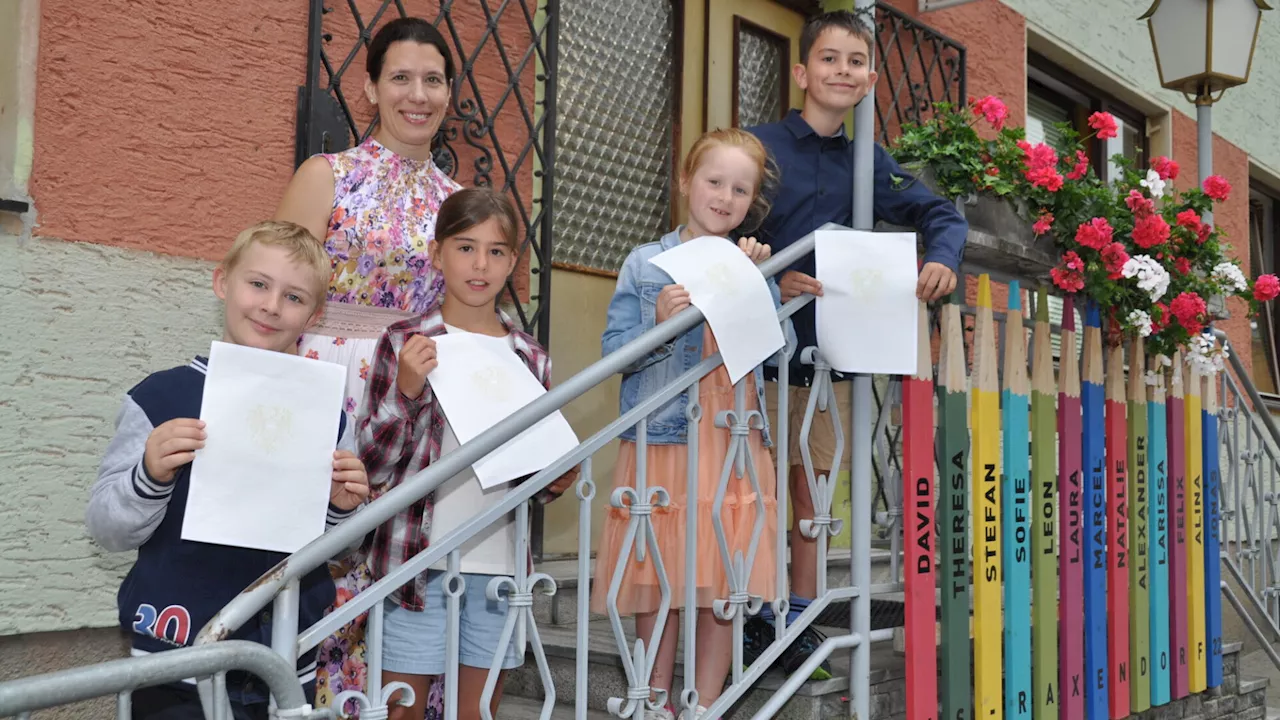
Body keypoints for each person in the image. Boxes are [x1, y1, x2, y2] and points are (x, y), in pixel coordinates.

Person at [744, 10, 968, 679]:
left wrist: (944, 257)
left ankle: (802, 621)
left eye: (855, 61)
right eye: (830, 58)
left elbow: (941, 213)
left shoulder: (868, 162)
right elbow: (718, 227)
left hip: (829, 362)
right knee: (754, 494)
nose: (842, 71)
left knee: (812, 499)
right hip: (754, 358)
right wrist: (765, 273)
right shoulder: (758, 148)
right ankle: (753, 616)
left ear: (869, 78)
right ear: (802, 71)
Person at [85, 221, 371, 720]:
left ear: (315, 314)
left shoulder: (328, 413)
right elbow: (107, 529)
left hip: (285, 658)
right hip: (173, 660)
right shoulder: (159, 398)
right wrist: (149, 475)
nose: (271, 306)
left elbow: (333, 547)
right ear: (223, 283)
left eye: (294, 297)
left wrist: (340, 511)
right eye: (258, 284)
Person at [273, 16, 463, 711]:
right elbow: (275, 295)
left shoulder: (458, 207)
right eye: (402, 77)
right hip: (325, 391)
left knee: (398, 571)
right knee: (322, 564)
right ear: (370, 88)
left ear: (449, 92)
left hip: (414, 405)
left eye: (433, 79)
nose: (419, 94)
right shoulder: (326, 177)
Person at [359, 188, 577, 720]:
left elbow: (535, 472)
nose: (480, 265)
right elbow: (372, 463)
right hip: (416, 560)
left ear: (513, 264)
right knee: (401, 710)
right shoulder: (404, 342)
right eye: (465, 247)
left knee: (477, 711)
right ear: (437, 254)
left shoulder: (530, 358)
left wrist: (556, 476)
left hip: (499, 566)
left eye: (497, 251)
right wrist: (408, 392)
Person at [592, 128, 787, 720]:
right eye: (713, 181)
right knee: (660, 569)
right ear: (685, 182)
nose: (725, 197)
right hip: (666, 440)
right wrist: (655, 320)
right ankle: (654, 699)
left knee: (726, 577)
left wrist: (761, 287)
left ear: (752, 202)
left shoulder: (755, 263)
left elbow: (779, 355)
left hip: (735, 436)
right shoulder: (645, 263)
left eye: (740, 189)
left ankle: (703, 702)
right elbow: (613, 354)